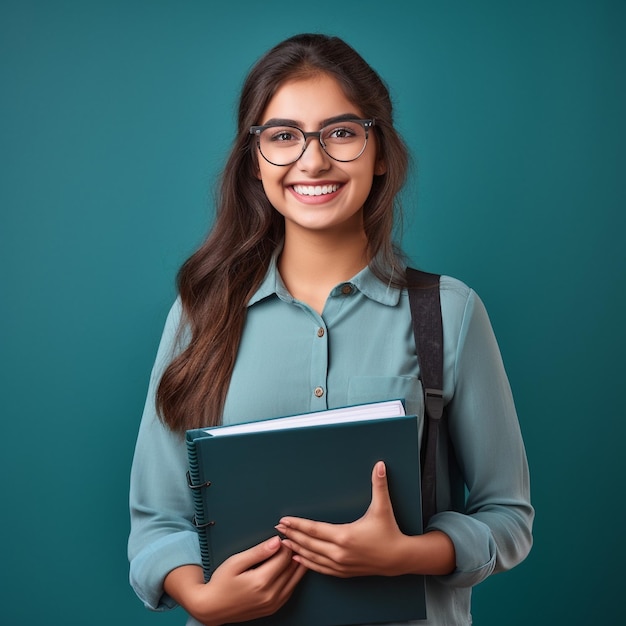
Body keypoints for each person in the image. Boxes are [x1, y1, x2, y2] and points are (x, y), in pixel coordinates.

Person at [128, 33, 534, 626]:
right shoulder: (199, 317)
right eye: (283, 136)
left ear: (381, 152)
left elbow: (508, 517)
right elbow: (157, 520)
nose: (312, 161)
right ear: (253, 160)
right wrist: (200, 594)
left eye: (341, 133)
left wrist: (408, 555)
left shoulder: (449, 313)